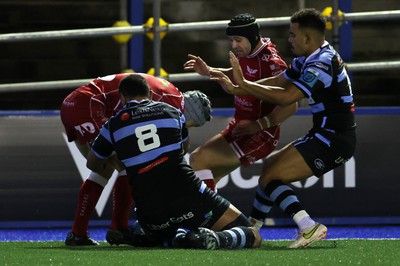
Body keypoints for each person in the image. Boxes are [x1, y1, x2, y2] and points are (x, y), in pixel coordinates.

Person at [210, 8, 356, 248]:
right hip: (324, 135)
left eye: (292, 35)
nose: (289, 40)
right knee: (269, 169)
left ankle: (307, 226)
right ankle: (253, 228)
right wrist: (241, 86)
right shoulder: (307, 59)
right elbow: (278, 81)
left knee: (272, 176)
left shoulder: (321, 63)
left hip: (334, 141)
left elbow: (287, 97)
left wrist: (244, 85)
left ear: (307, 38)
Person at [86, 74, 262, 249]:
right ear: (150, 94)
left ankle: (174, 236)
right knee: (253, 234)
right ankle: (216, 239)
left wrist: (122, 161)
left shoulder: (112, 125)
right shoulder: (172, 112)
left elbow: (92, 164)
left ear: (122, 97)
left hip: (150, 213)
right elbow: (184, 147)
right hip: (188, 195)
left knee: (155, 232)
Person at [61, 73, 212, 246]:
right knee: (130, 162)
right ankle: (117, 227)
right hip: (88, 106)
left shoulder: (171, 94)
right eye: (192, 125)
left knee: (105, 168)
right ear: (192, 113)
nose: (188, 127)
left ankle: (79, 233)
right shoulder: (173, 106)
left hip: (75, 104)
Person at [183, 13, 297, 200]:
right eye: (231, 40)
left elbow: (291, 106)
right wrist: (209, 71)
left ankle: (212, 219)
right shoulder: (248, 51)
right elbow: (238, 74)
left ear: (252, 37)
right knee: (208, 178)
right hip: (239, 128)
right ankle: (212, 222)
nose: (234, 45)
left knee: (198, 160)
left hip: (259, 134)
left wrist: (258, 125)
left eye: (238, 40)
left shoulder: (272, 63)